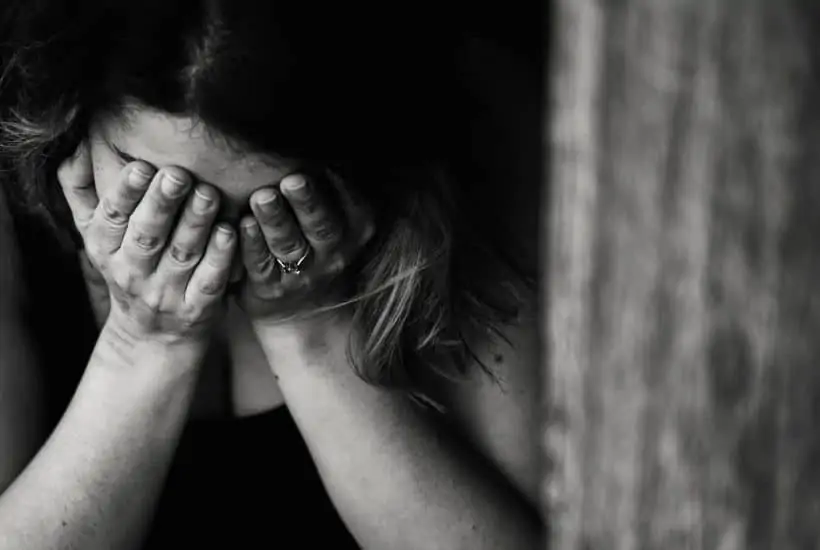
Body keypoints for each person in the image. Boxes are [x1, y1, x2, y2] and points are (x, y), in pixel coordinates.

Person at [0, 1, 542, 548]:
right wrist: (142, 343)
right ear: (73, 113)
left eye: (271, 206)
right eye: (159, 191)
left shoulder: (478, 130)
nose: (213, 245)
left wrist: (308, 331)